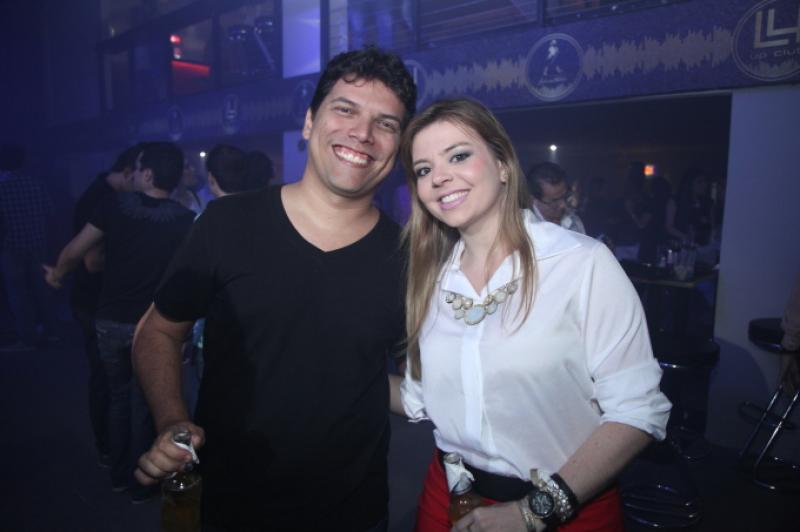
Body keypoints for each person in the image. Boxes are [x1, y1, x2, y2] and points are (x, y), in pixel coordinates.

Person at [131, 47, 416, 532]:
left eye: (385, 123)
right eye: (345, 109)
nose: (363, 133)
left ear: (398, 146)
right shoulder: (227, 223)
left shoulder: (410, 257)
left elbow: (419, 386)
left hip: (353, 513)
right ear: (309, 122)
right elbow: (158, 331)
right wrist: (172, 422)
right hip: (229, 506)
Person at [390, 99, 671, 532]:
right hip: (447, 500)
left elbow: (637, 412)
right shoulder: (431, 279)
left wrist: (532, 512)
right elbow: (419, 397)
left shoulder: (581, 263)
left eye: (458, 156)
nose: (439, 177)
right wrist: (330, 366)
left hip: (567, 509)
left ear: (503, 165)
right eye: (423, 169)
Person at [43, 142, 195, 502]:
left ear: (148, 174)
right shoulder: (185, 219)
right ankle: (140, 482)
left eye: (138, 167)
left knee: (117, 397)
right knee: (143, 402)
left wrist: (58, 274)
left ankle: (118, 473)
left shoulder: (114, 206)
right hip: (153, 325)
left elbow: (76, 250)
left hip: (110, 320)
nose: (134, 173)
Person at [69, 143, 142, 467]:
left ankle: (117, 447)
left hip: (105, 302)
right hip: (94, 302)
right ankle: (107, 448)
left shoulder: (112, 197)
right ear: (128, 172)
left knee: (118, 382)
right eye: (141, 174)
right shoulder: (99, 201)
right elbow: (92, 261)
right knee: (106, 379)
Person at [0, 142, 56, 351]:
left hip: (10, 247)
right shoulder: (36, 184)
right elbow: (50, 213)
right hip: (38, 244)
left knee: (18, 294)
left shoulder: (1, 187)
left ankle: (28, 338)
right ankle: (50, 333)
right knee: (42, 290)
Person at [525, 161, 585, 234]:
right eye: (554, 201)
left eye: (565, 196)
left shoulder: (575, 222)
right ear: (533, 199)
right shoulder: (524, 228)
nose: (563, 205)